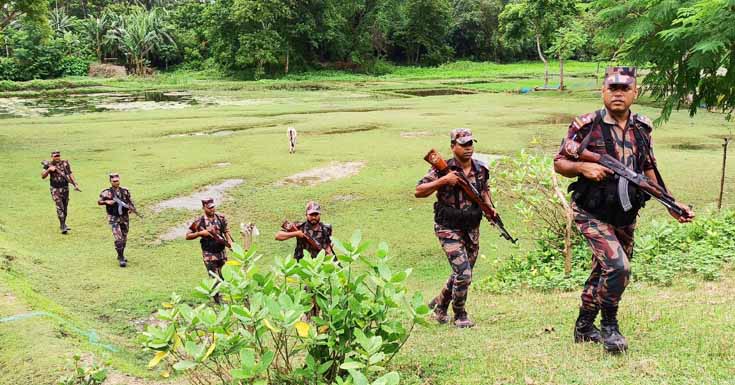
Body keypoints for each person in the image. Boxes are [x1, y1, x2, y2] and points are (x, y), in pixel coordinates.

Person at [554, 67, 694, 353]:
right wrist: (582, 167)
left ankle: (583, 327)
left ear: (635, 92)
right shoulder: (586, 125)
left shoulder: (642, 127)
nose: (618, 93)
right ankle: (610, 327)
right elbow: (560, 162)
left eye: (624, 88)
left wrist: (670, 202)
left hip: (625, 213)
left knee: (603, 272)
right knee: (619, 267)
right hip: (591, 211)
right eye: (612, 88)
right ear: (603, 91)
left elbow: (648, 168)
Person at [415, 128, 497, 328]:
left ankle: (439, 305)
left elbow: (484, 190)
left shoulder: (481, 169)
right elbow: (418, 191)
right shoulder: (441, 169)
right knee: (464, 273)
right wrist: (444, 180)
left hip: (471, 227)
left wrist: (491, 209)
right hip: (448, 227)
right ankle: (460, 314)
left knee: (462, 271)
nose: (468, 148)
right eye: (463, 145)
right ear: (453, 147)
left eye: (471, 144)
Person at [186, 198, 233, 303]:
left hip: (221, 252)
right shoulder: (199, 222)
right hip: (209, 254)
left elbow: (226, 231)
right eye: (209, 208)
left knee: (225, 275)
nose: (212, 209)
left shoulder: (221, 218)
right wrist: (200, 234)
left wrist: (230, 243)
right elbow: (188, 236)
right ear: (204, 208)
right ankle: (217, 300)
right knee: (214, 277)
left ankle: (228, 296)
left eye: (213, 207)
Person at [98, 173, 137, 267]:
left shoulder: (125, 191)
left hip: (124, 217)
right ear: (110, 182)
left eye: (117, 180)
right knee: (118, 238)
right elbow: (99, 201)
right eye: (114, 181)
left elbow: (130, 201)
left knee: (124, 237)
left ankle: (120, 254)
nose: (116, 182)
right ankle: (121, 258)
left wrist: (132, 208)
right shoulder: (106, 192)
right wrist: (107, 201)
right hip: (113, 217)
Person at [41, 151, 80, 234]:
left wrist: (75, 184)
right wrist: (48, 170)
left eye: (58, 156)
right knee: (59, 206)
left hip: (65, 188)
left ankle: (63, 223)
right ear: (52, 157)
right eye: (55, 156)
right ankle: (62, 226)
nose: (57, 157)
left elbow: (69, 174)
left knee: (65, 207)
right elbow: (43, 176)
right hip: (55, 189)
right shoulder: (48, 164)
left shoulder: (65, 163)